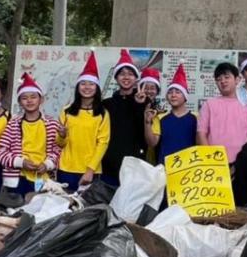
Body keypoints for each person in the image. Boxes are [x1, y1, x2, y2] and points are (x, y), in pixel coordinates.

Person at [0, 73, 62, 196]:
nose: (29, 101)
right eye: (24, 98)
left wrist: (47, 165)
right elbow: (0, 152)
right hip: (18, 179)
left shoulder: (52, 124)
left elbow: (57, 151)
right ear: (20, 102)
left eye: (33, 97)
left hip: (44, 179)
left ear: (41, 99)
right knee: (17, 211)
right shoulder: (13, 124)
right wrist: (21, 162)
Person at [56, 53, 111, 191]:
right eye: (83, 83)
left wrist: (90, 170)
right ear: (78, 87)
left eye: (91, 84)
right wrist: (62, 135)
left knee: (87, 209)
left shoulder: (103, 113)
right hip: (66, 168)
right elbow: (60, 143)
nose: (87, 87)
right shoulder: (66, 111)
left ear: (96, 88)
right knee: (63, 207)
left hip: (91, 171)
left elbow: (103, 143)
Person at [196, 62, 247, 166]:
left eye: (227, 77)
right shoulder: (209, 104)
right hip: (214, 163)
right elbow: (201, 133)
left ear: (237, 79)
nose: (223, 81)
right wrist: (209, 158)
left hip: (242, 163)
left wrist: (245, 160)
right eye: (219, 79)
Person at [102, 50, 147, 186]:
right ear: (116, 78)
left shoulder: (145, 101)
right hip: (109, 164)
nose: (126, 77)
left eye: (130, 74)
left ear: (136, 78)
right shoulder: (106, 104)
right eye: (122, 74)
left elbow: (144, 131)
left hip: (135, 163)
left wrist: (140, 105)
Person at [147, 63, 197, 169]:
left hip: (189, 170)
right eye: (170, 92)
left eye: (178, 92)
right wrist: (147, 122)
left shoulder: (196, 118)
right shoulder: (160, 118)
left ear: (185, 97)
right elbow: (152, 143)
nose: (173, 95)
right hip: (165, 170)